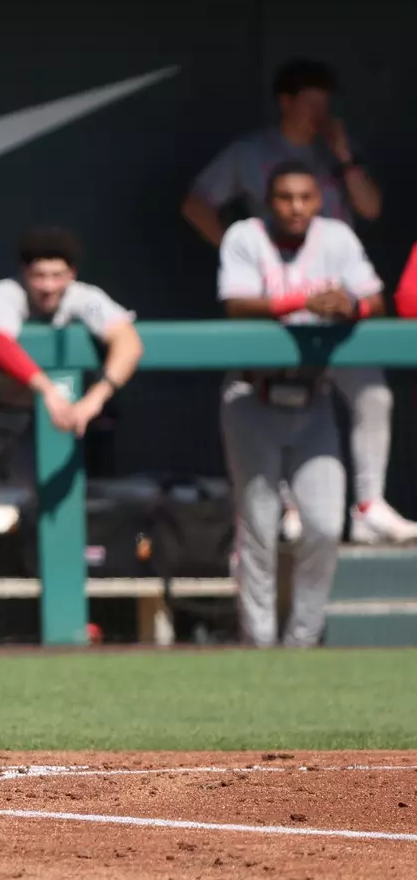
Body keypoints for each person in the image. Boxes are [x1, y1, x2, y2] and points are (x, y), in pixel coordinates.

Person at [181, 59, 408, 545]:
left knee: (373, 393)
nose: (320, 112)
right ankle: (287, 507)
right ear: (287, 101)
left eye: (326, 102)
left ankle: (369, 505)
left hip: (334, 304)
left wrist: (344, 154)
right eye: (311, 102)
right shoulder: (252, 155)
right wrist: (240, 256)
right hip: (276, 308)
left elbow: (370, 209)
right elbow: (196, 202)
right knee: (271, 408)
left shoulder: (336, 162)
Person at [0, 226, 143, 645]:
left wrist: (96, 398)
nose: (48, 286)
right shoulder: (5, 293)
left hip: (31, 427)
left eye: (57, 275)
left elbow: (129, 342)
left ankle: (64, 628)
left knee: (62, 512)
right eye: (39, 276)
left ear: (71, 275)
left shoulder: (84, 297)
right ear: (24, 274)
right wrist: (47, 388)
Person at [218, 160, 384, 646]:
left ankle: (302, 640)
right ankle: (260, 641)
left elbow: (376, 300)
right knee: (259, 526)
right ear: (269, 202)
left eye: (305, 198)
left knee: (325, 524)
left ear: (318, 200)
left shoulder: (336, 237)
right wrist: (300, 303)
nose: (295, 208)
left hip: (313, 399)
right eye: (286, 198)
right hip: (253, 395)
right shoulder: (245, 236)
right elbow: (235, 303)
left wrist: (351, 306)